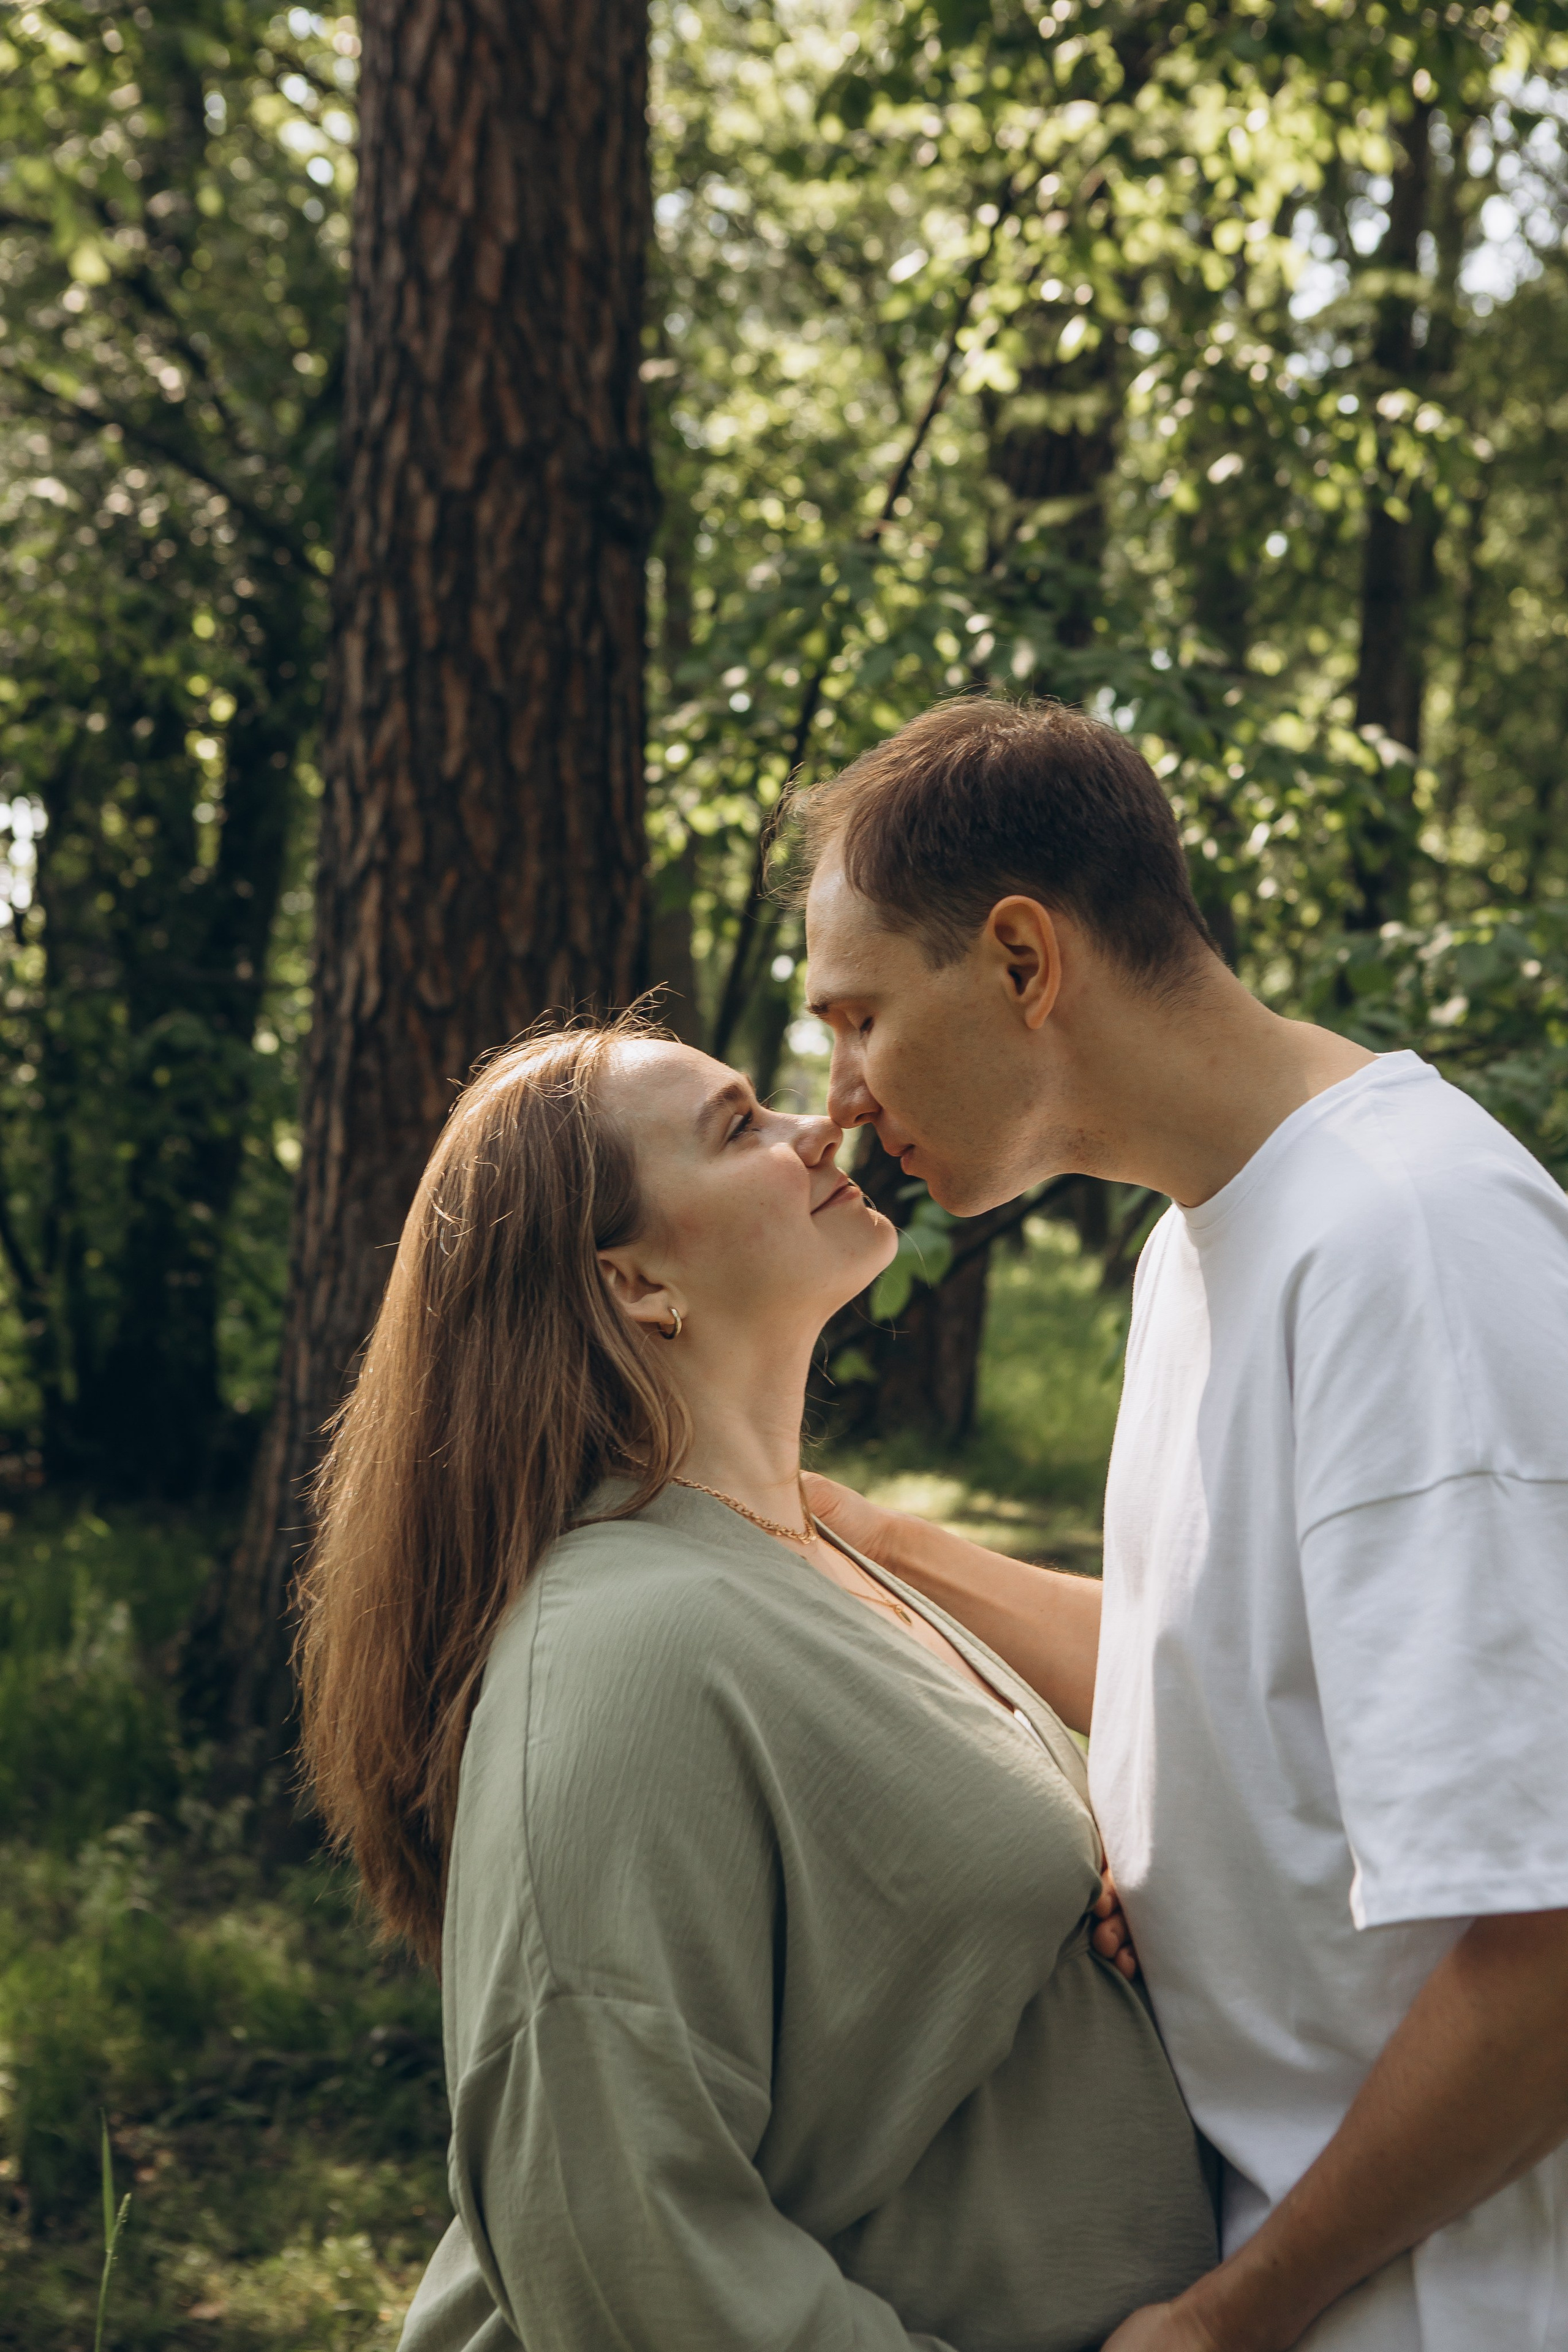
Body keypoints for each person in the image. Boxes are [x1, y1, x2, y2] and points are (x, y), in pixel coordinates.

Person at [799, 694, 1568, 2352]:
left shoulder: (1406, 1249)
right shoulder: (1200, 1241)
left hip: (1446, 2299)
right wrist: (849, 1532)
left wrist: (1235, 2318)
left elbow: (1552, 1948)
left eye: (855, 1016)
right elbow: (1221, 1671)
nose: (840, 1095)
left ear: (1021, 960)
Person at [296, 1017, 1218, 2352]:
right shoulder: (619, 1653)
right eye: (739, 1128)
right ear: (635, 1286)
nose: (816, 1125)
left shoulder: (805, 1550)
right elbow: (610, 2237)